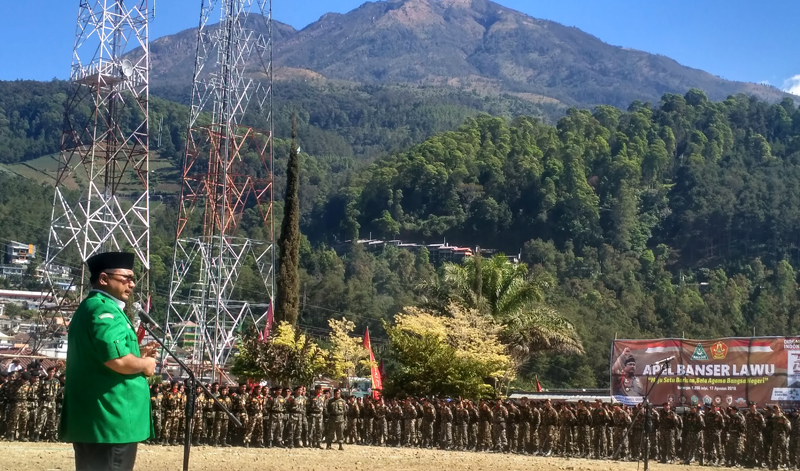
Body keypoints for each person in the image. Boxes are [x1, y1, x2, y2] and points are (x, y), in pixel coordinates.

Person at [59, 252, 158, 471]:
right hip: (110, 419)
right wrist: (145, 365)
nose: (132, 284)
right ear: (104, 279)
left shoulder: (95, 307)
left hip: (99, 420)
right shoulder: (103, 309)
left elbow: (99, 355)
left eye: (133, 279)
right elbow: (117, 361)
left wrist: (137, 353)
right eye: (126, 278)